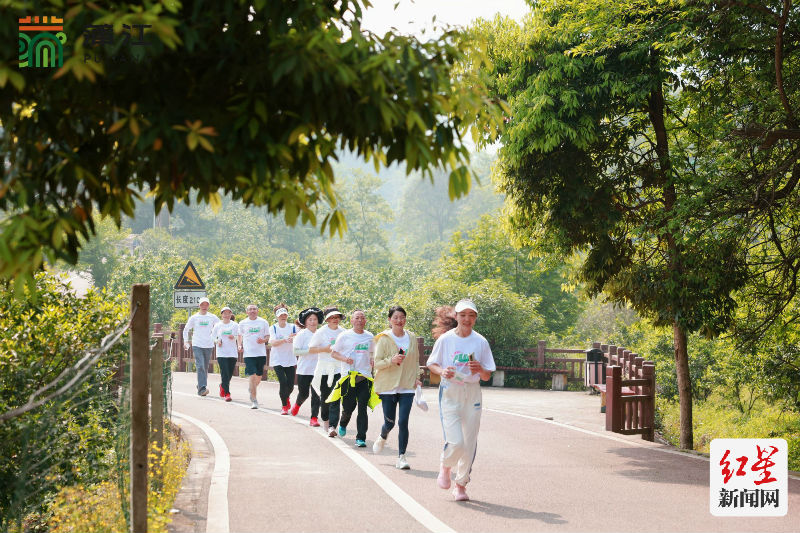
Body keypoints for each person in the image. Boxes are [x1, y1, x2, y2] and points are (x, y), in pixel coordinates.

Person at [427, 299, 495, 502]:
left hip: (472, 392)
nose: (467, 319)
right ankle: (446, 466)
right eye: (463, 315)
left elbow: (487, 376)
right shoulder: (446, 340)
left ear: (475, 318)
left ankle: (461, 485)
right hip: (450, 392)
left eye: (471, 315)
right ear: (456, 316)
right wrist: (442, 371)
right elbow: (432, 364)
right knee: (456, 441)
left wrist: (479, 370)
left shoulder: (480, 342)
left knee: (469, 441)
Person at [371, 305, 421, 469]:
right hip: (388, 386)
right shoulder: (384, 339)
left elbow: (415, 360)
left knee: (403, 421)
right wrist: (390, 361)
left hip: (407, 385)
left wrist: (417, 378)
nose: (399, 321)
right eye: (396, 318)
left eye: (402, 317)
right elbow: (377, 363)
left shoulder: (411, 337)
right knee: (390, 423)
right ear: (390, 320)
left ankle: (402, 457)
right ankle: (383, 434)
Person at [328, 309, 378, 448]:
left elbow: (373, 353)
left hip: (365, 377)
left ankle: (361, 437)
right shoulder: (344, 336)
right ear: (351, 321)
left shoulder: (369, 336)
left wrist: (373, 360)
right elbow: (334, 353)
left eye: (362, 318)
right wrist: (345, 359)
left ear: (365, 321)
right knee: (348, 408)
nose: (360, 320)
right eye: (357, 318)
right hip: (348, 377)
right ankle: (343, 423)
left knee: (362, 408)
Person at [310, 306, 345, 436]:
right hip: (324, 368)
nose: (335, 320)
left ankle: (332, 426)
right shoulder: (321, 332)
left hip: (339, 367)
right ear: (327, 319)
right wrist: (325, 349)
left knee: (336, 397)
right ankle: (325, 418)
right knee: (325, 398)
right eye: (332, 317)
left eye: (337, 317)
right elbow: (311, 349)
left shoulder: (344, 332)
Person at [291, 307, 324, 426]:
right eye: (310, 319)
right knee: (304, 393)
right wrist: (311, 350)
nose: (313, 322)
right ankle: (297, 404)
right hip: (304, 368)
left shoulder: (322, 333)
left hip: (319, 368)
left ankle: (314, 418)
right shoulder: (301, 335)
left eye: (315, 319)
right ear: (305, 321)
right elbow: (296, 351)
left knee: (316, 394)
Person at [183, 297, 220, 396]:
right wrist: (185, 341)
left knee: (205, 366)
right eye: (202, 304)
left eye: (206, 304)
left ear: (208, 305)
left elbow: (220, 327)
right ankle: (202, 389)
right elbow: (186, 329)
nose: (204, 306)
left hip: (208, 344)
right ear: (199, 306)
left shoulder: (212, 317)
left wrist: (218, 339)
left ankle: (200, 384)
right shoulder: (194, 317)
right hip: (197, 344)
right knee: (200, 366)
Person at [238, 304, 270, 409]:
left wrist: (264, 340)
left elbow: (267, 336)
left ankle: (252, 389)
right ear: (247, 312)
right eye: (250, 309)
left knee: (259, 376)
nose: (252, 311)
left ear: (257, 311)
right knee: (252, 376)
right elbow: (239, 335)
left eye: (254, 309)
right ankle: (254, 400)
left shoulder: (263, 322)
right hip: (249, 354)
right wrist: (239, 345)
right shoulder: (243, 323)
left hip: (260, 353)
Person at [268, 303, 298, 414]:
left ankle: (286, 397)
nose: (283, 316)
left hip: (290, 359)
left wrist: (294, 338)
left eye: (285, 314)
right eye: (281, 315)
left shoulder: (293, 327)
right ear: (277, 316)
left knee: (290, 385)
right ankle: (284, 406)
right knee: (283, 382)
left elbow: (300, 339)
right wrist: (285, 340)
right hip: (277, 360)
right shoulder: (274, 328)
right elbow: (273, 343)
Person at [212, 306, 241, 402]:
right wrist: (217, 341)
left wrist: (235, 337)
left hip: (232, 352)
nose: (227, 315)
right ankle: (227, 393)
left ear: (231, 314)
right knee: (224, 373)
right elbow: (212, 337)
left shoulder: (235, 325)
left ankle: (222, 386)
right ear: (222, 315)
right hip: (221, 353)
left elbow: (240, 336)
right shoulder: (218, 325)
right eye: (225, 313)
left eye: (228, 313)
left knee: (229, 373)